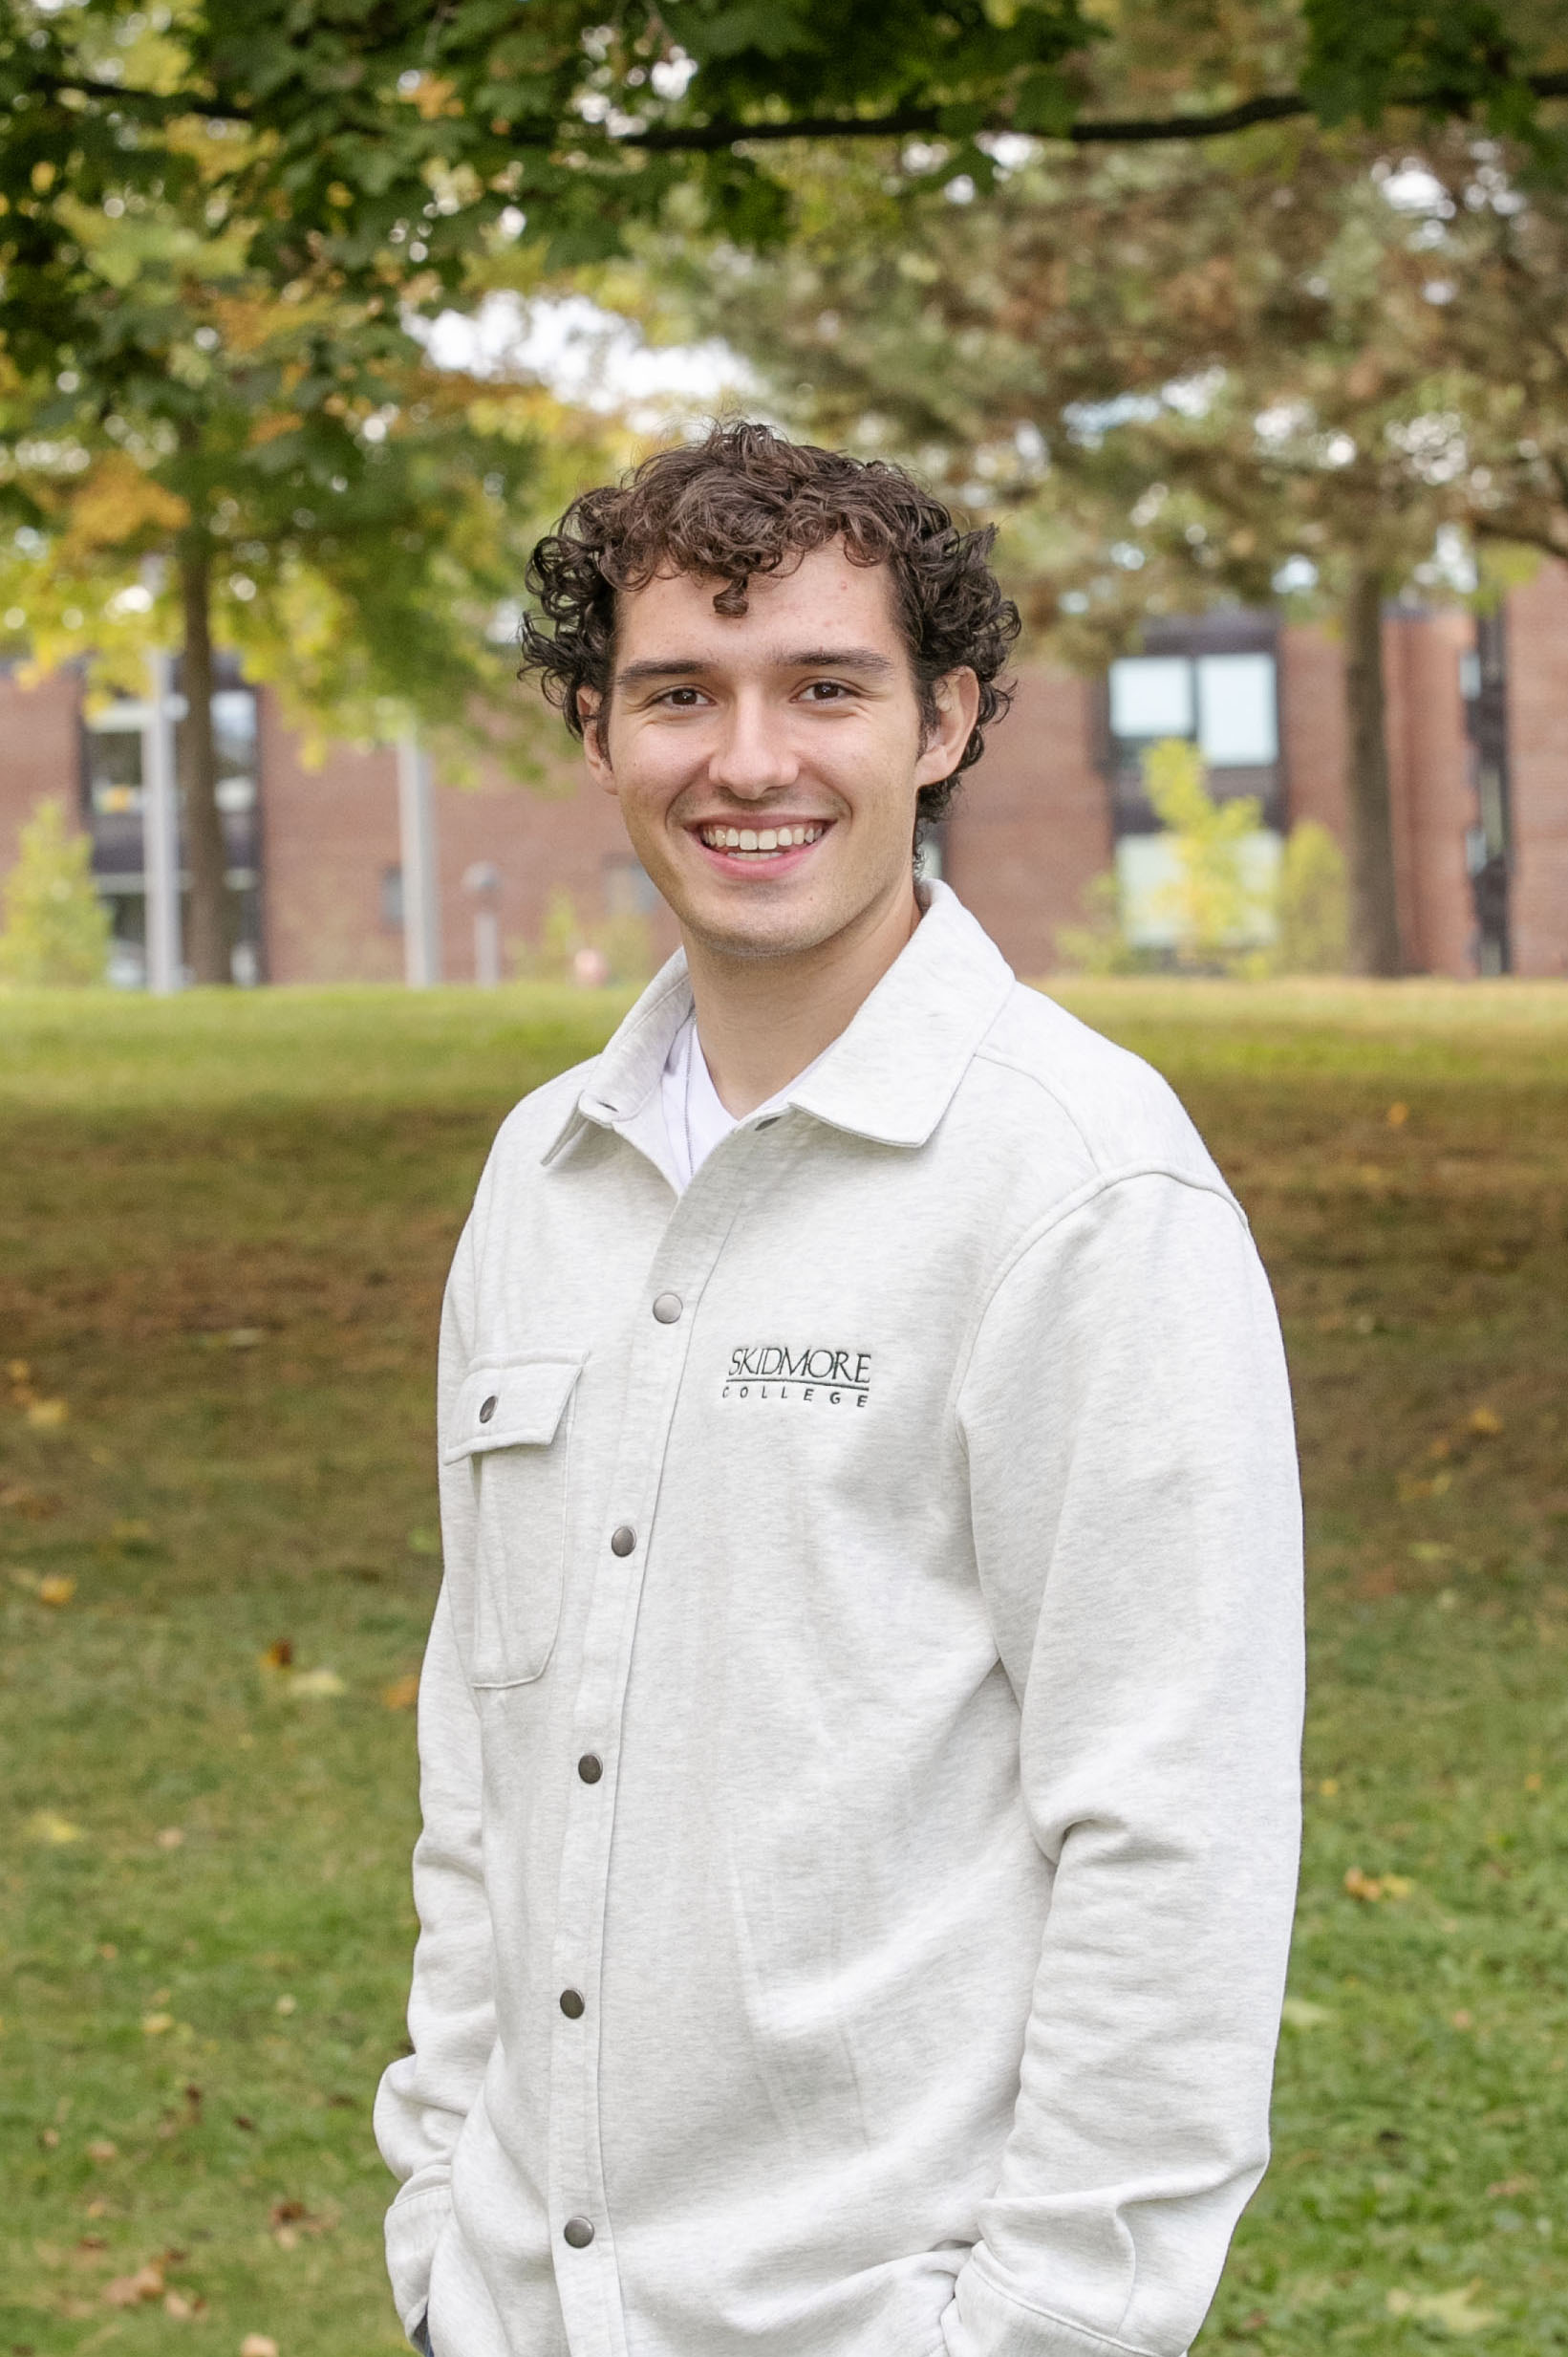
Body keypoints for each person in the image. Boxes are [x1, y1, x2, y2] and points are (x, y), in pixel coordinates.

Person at [375, 422, 1304, 2357]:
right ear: (591, 729)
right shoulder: (539, 1179)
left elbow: (1172, 1835)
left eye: (823, 686)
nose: (748, 760)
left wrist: (1036, 2330)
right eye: (675, 694)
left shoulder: (1078, 1188)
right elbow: (483, 1764)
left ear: (944, 720)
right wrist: (434, 2218)